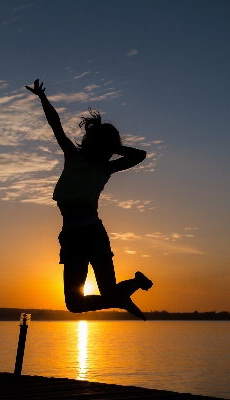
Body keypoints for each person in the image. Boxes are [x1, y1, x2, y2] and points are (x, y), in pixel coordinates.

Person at [26, 79, 153, 320]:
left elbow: (141, 155)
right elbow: (56, 126)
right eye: (104, 147)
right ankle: (125, 294)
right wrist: (42, 98)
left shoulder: (105, 168)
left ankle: (126, 291)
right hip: (70, 236)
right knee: (74, 304)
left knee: (108, 291)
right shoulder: (73, 156)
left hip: (93, 233)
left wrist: (114, 147)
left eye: (109, 149)